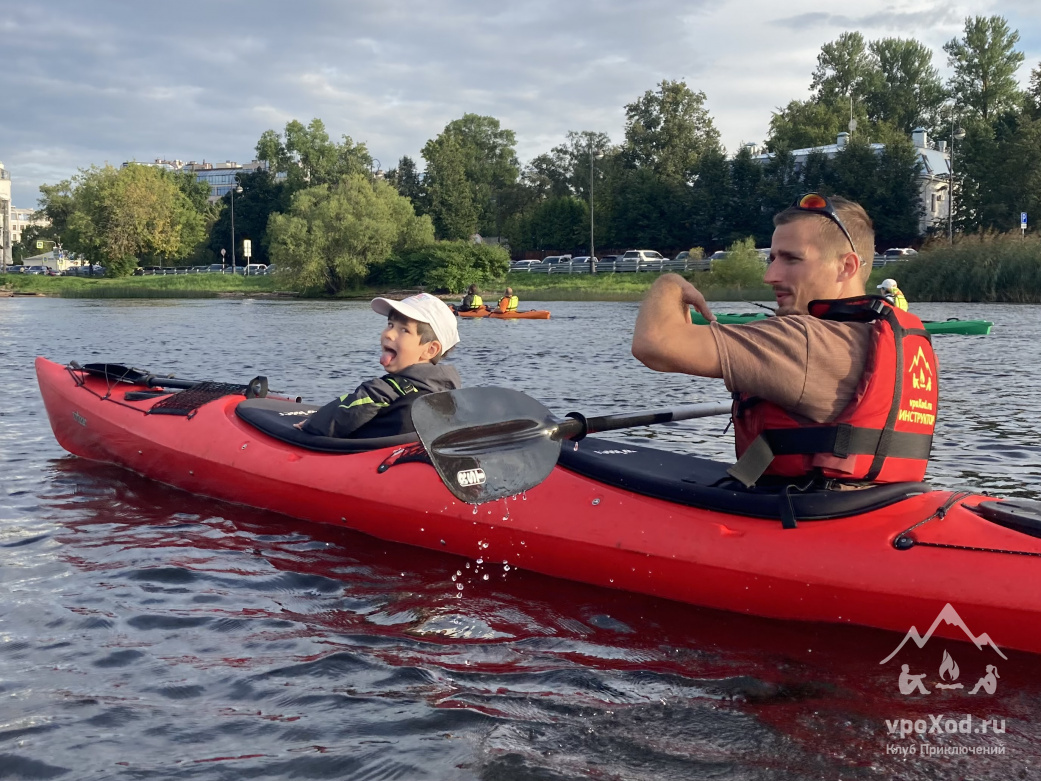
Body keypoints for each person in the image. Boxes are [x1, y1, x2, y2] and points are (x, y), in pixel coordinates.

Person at [631, 193, 938, 490]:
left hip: (806, 518)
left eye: (791, 259)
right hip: (875, 504)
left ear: (847, 267)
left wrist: (669, 283)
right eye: (773, 258)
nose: (770, 275)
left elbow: (655, 343)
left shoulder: (803, 340)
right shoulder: (885, 338)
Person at [296, 293, 461, 439]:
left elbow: (330, 421)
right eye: (390, 324)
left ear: (431, 349)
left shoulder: (382, 391)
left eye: (404, 330)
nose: (388, 334)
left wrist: (311, 422)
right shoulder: (448, 395)